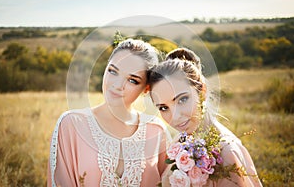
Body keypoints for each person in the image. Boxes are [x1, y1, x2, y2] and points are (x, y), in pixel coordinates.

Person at [47, 38, 168, 187]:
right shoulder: (71, 124)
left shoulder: (156, 131)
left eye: (132, 80)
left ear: (146, 88)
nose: (117, 85)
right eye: (113, 71)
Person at [148, 48, 263, 186]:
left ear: (202, 91)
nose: (175, 117)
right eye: (163, 108)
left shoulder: (226, 153)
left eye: (182, 100)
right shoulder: (180, 141)